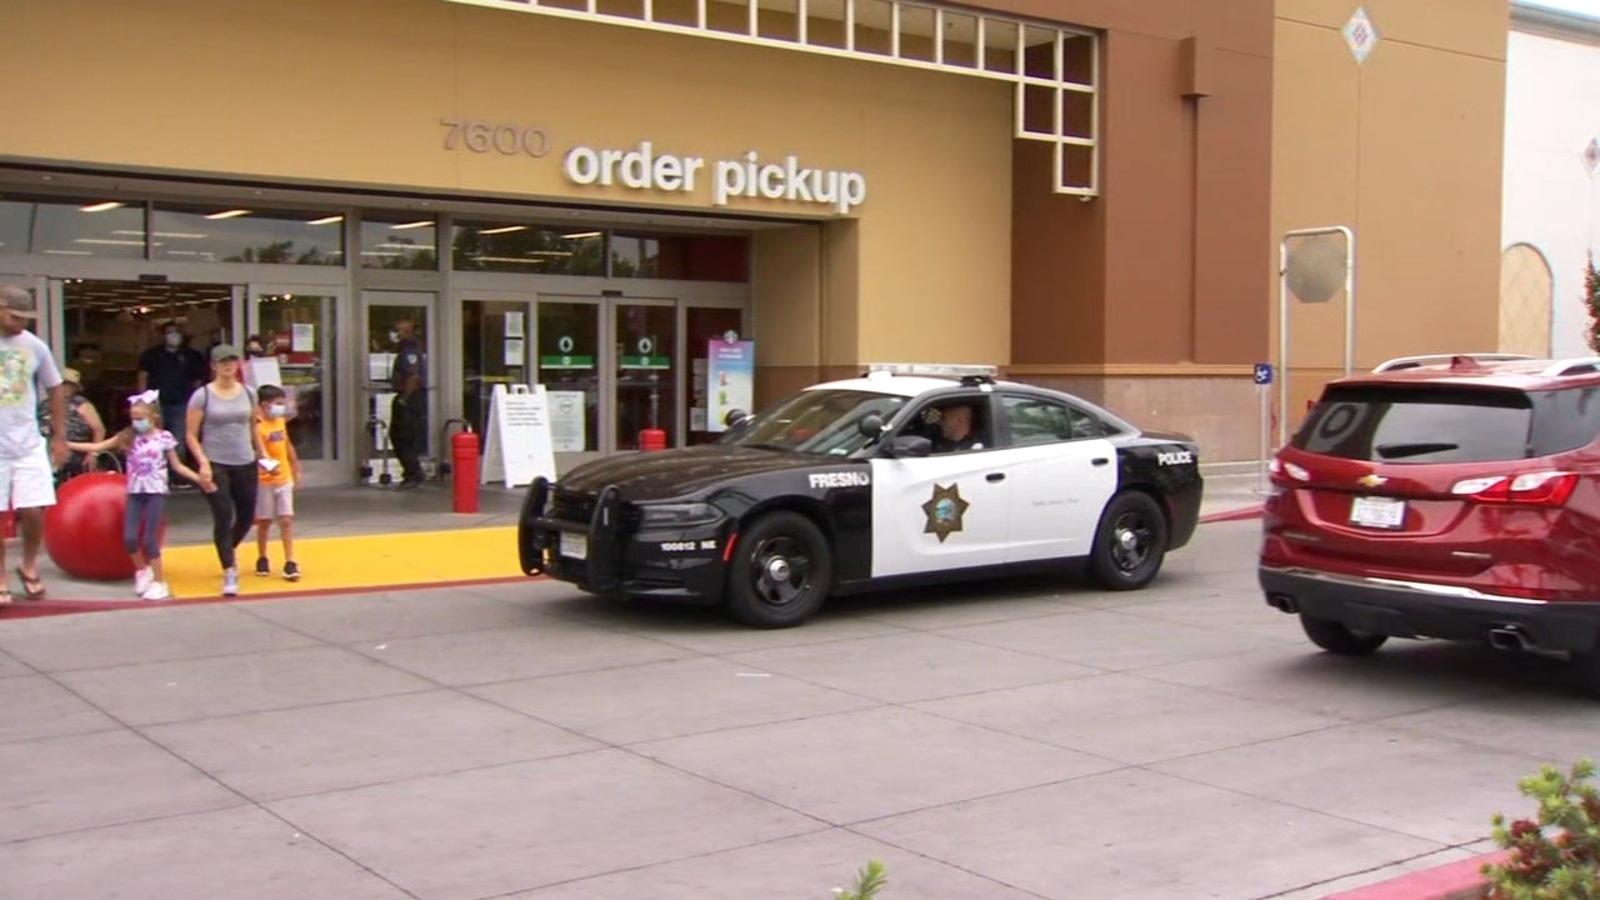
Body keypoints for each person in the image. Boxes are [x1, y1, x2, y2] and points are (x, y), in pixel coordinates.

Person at [69, 391, 207, 601]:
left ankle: (160, 582)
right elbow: (98, 446)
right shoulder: (128, 436)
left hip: (155, 493)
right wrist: (67, 444)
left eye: (141, 418)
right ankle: (142, 570)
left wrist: (199, 478)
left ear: (153, 417)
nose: (137, 422)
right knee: (130, 538)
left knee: (149, 539)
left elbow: (177, 465)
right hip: (135, 492)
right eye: (133, 418)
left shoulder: (164, 438)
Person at [0, 285, 69, 603]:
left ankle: (28, 565)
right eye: (15, 317)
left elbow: (55, 389)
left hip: (27, 441)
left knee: (33, 509)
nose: (21, 323)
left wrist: (59, 437)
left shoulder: (35, 346)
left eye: (26, 318)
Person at [187, 344, 266, 597]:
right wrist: (202, 462)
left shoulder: (249, 393)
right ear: (213, 366)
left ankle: (226, 548)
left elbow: (253, 425)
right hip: (215, 461)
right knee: (223, 513)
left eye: (232, 361)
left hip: (244, 459)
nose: (228, 365)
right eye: (222, 362)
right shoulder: (203, 395)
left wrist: (262, 453)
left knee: (246, 516)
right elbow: (190, 434)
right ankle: (229, 569)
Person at [137, 322, 206, 482]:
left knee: (177, 441)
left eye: (177, 333)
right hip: (155, 405)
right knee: (153, 439)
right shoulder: (152, 355)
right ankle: (156, 474)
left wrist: (195, 403)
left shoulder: (192, 356)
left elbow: (198, 382)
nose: (173, 336)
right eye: (169, 332)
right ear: (163, 335)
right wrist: (143, 401)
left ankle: (176, 476)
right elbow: (142, 377)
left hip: (182, 404)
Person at [252, 384, 302, 582]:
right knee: (264, 521)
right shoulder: (257, 426)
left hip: (283, 477)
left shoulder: (280, 422)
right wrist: (269, 466)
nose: (281, 408)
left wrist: (295, 466)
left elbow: (286, 444)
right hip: (264, 479)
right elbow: (259, 452)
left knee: (286, 519)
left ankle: (290, 560)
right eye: (278, 404)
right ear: (264, 405)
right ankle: (262, 555)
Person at [40, 367, 106, 481]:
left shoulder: (82, 404)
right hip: (47, 454)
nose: (64, 388)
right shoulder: (45, 404)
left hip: (75, 455)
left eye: (68, 385)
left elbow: (99, 429)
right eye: (61, 384)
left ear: (75, 388)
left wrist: (93, 454)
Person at [388, 317, 427, 488]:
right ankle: (412, 472)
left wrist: (403, 399)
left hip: (410, 400)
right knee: (399, 436)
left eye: (396, 331)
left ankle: (413, 473)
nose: (393, 334)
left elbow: (413, 376)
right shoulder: (405, 348)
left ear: (404, 332)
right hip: (408, 397)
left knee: (403, 437)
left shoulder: (410, 350)